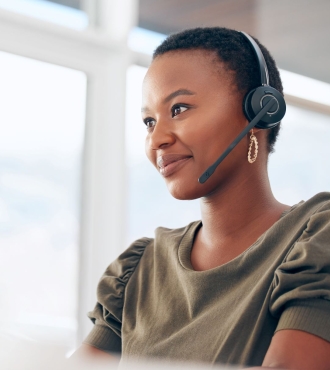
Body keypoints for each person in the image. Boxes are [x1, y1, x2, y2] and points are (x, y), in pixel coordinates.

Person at [74, 27, 330, 369]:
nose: (157, 140)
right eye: (149, 121)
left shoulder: (315, 242)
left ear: (261, 110)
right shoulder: (138, 270)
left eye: (179, 109)